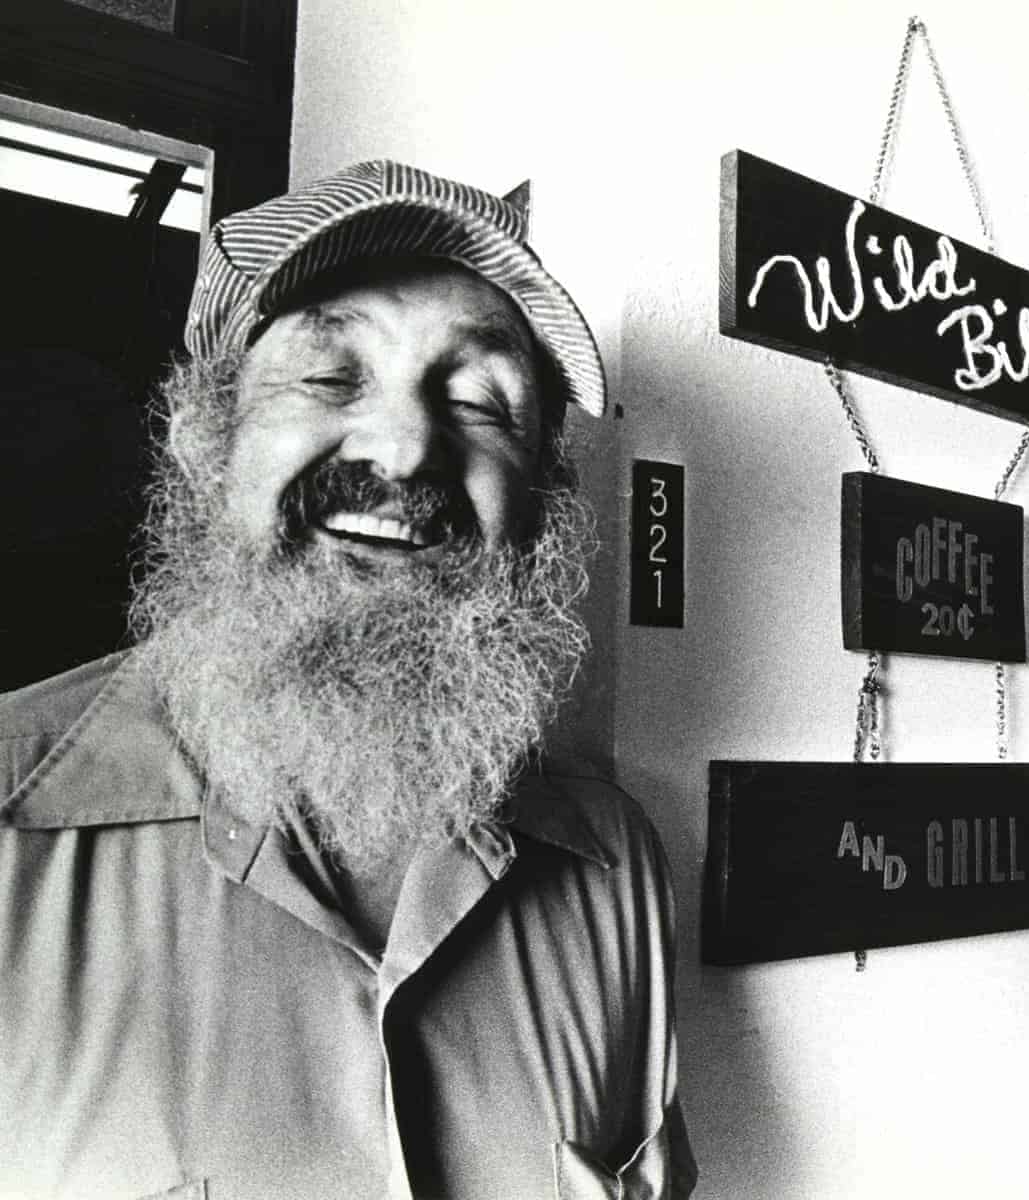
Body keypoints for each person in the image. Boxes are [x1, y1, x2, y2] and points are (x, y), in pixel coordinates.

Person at [0, 160, 696, 1200]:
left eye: (481, 402)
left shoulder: (612, 863)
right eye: (331, 379)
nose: (409, 449)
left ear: (542, 501)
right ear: (205, 439)